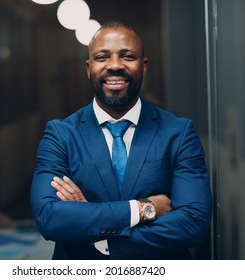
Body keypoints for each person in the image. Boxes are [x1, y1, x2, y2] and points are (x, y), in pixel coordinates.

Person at [30, 21, 212, 260]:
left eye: (127, 56)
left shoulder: (178, 133)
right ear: (88, 68)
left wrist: (101, 238)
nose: (115, 65)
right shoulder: (60, 135)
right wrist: (142, 209)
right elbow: (49, 218)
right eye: (102, 57)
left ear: (143, 66)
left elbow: (193, 223)